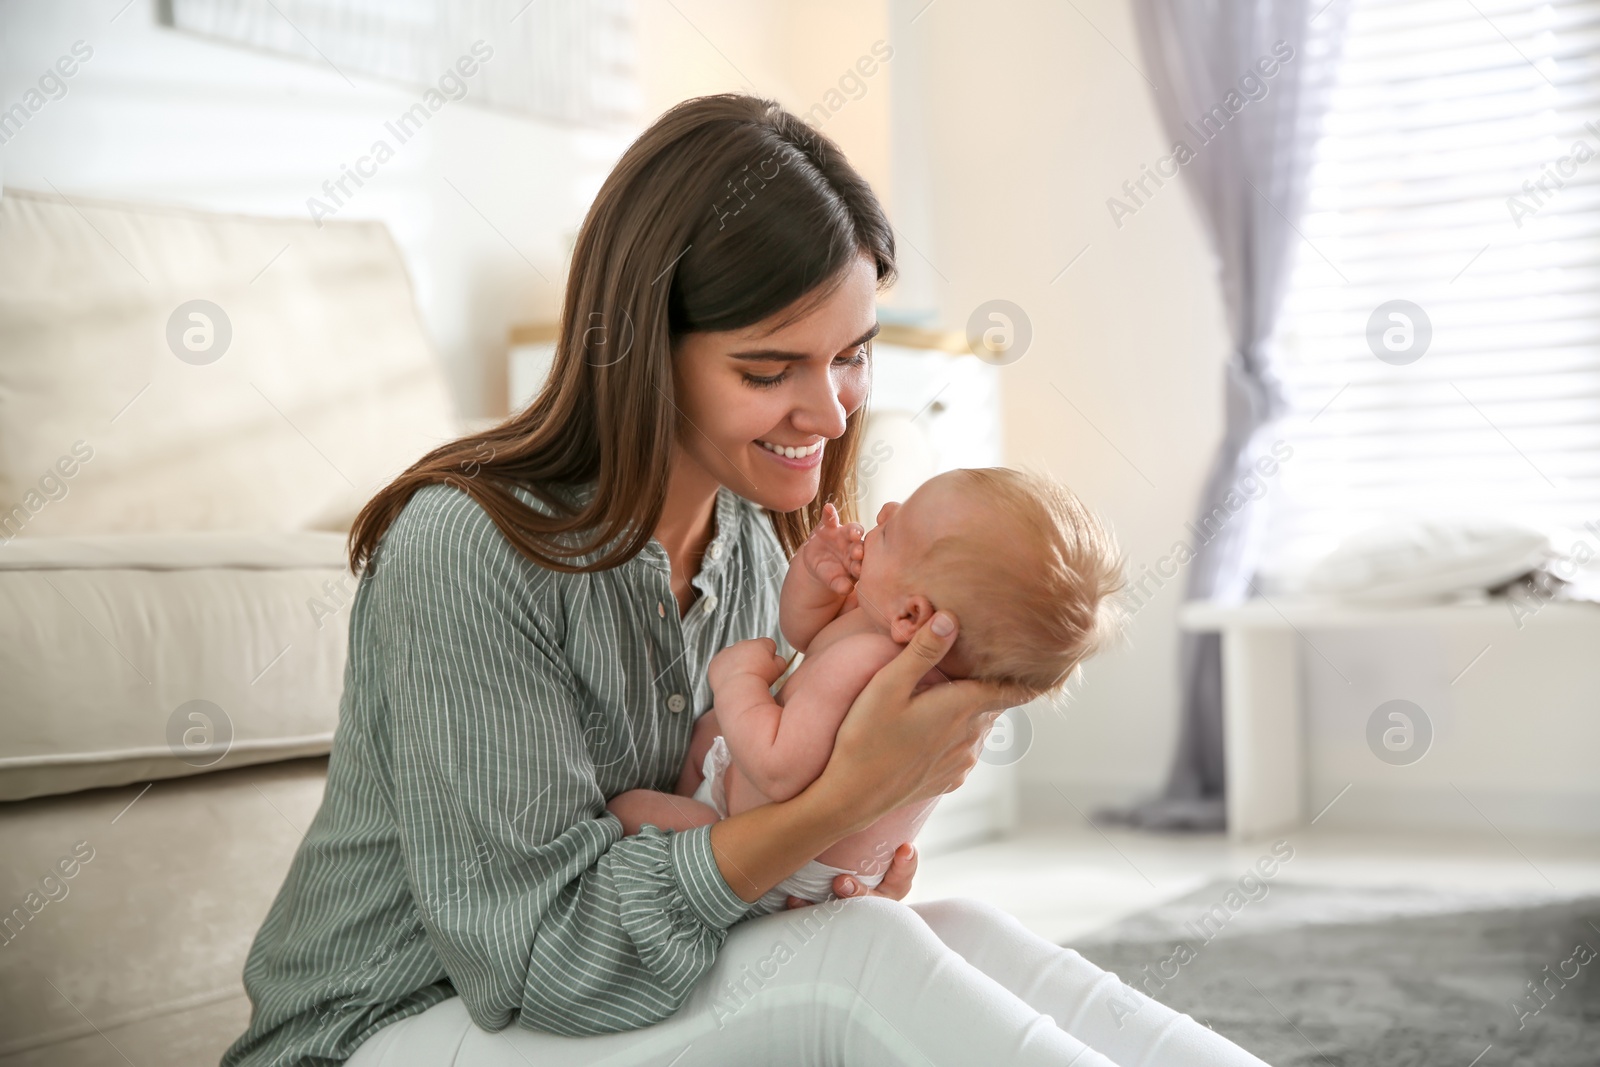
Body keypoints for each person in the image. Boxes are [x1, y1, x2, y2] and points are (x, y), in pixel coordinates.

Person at [221, 93, 1272, 1067]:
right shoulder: (467, 550)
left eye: (853, 354)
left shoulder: (763, 546)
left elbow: (738, 835)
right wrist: (832, 807)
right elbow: (539, 966)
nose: (830, 412)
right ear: (642, 351)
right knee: (863, 963)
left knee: (954, 930)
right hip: (389, 1028)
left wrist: (843, 847)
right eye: (769, 370)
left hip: (574, 1004)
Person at [607, 469, 1126, 914]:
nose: (886, 509)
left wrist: (735, 680)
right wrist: (814, 577)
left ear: (912, 615)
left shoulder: (866, 663)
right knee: (710, 736)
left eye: (894, 531)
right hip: (829, 862)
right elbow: (805, 634)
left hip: (773, 856)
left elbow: (776, 767)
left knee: (631, 808)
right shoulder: (902, 646)